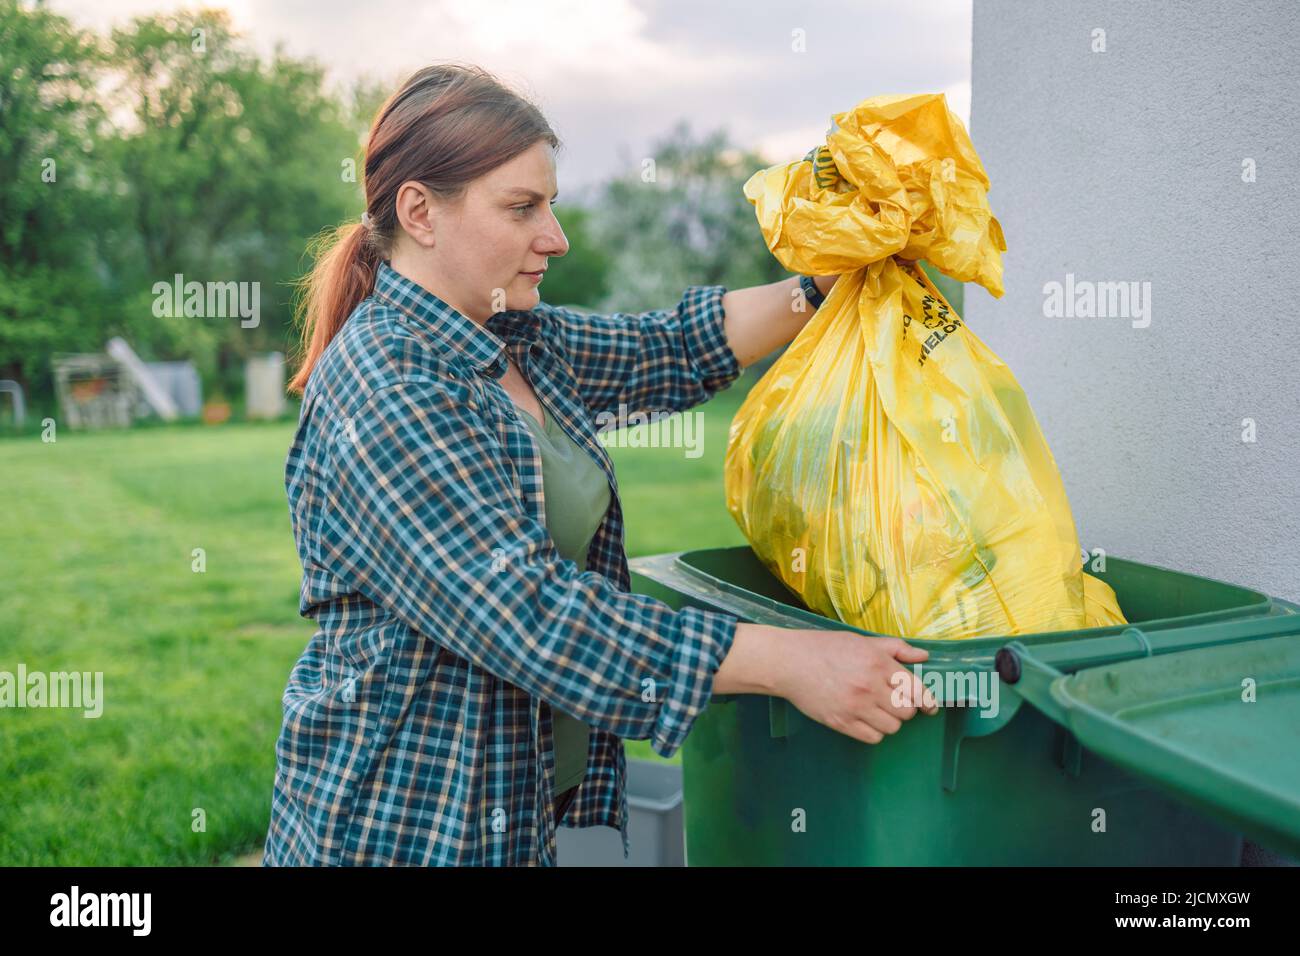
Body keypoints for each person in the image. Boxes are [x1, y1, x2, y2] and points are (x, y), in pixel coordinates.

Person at [262, 61, 938, 867]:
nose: (556, 236)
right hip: (406, 826)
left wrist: (825, 285)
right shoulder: (387, 384)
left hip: (521, 810)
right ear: (420, 212)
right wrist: (791, 662)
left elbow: (669, 347)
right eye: (522, 208)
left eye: (550, 204)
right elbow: (528, 614)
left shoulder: (517, 337)